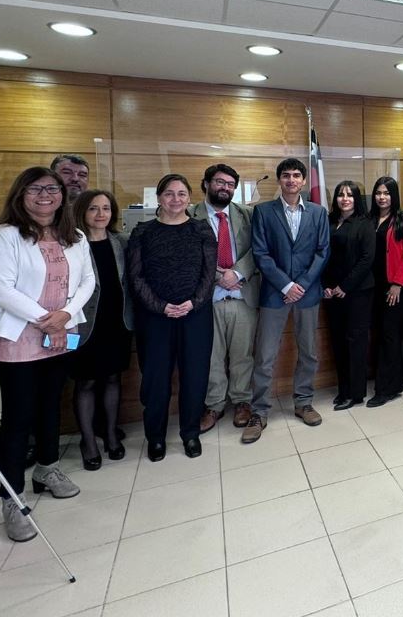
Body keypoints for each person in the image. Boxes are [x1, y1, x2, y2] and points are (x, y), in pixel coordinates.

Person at [0, 167, 95, 541]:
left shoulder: (73, 236)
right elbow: (1, 289)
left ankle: (47, 469)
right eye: (36, 189)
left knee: (49, 406)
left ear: (62, 195)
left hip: (62, 334)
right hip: (18, 336)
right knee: (17, 417)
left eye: (52, 189)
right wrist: (46, 319)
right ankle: (11, 497)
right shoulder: (5, 236)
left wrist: (64, 316)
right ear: (20, 194)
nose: (45, 195)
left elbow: (88, 280)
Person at [127, 174, 216, 462]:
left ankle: (190, 433)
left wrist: (193, 302)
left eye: (181, 194)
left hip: (196, 315)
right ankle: (155, 438)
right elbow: (136, 277)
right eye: (169, 194)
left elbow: (208, 274)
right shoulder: (143, 232)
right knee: (155, 379)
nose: (175, 199)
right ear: (159, 198)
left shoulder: (202, 230)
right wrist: (161, 306)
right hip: (155, 319)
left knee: (194, 376)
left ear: (190, 198)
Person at [246, 158, 330, 440]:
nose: (291, 180)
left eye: (296, 175)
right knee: (265, 355)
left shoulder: (318, 213)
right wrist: (285, 285)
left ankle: (303, 402)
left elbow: (322, 252)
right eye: (286, 175)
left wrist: (302, 284)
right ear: (280, 180)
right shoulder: (263, 212)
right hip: (274, 293)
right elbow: (261, 254)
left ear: (304, 181)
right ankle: (259, 412)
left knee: (308, 351)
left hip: (307, 294)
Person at [192, 164, 260, 436]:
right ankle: (215, 405)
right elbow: (187, 254)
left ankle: (242, 401)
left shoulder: (248, 214)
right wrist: (218, 274)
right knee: (212, 356)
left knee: (243, 355)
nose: (225, 188)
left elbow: (259, 248)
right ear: (206, 183)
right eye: (219, 182)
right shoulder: (189, 215)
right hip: (208, 299)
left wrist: (238, 273)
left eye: (230, 184)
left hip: (242, 295)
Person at [68, 189, 134, 471]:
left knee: (112, 378)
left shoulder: (121, 242)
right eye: (94, 209)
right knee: (85, 382)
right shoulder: (70, 243)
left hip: (116, 321)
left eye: (106, 208)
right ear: (82, 212)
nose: (100, 214)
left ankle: (110, 433)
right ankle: (88, 441)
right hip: (83, 323)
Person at [323, 181, 375, 410]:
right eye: (340, 195)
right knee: (338, 341)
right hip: (332, 293)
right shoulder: (329, 221)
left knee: (356, 343)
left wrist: (345, 286)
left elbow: (366, 259)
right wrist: (325, 285)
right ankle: (343, 389)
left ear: (357, 199)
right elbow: (323, 256)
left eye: (350, 195)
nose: (345, 199)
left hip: (357, 293)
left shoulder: (365, 224)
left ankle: (356, 393)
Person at [367, 176, 403, 407]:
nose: (382, 197)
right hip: (372, 286)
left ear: (393, 195)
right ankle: (390, 380)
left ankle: (387, 388)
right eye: (378, 192)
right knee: (380, 334)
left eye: (386, 193)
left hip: (395, 287)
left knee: (390, 335)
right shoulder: (369, 219)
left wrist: (397, 284)